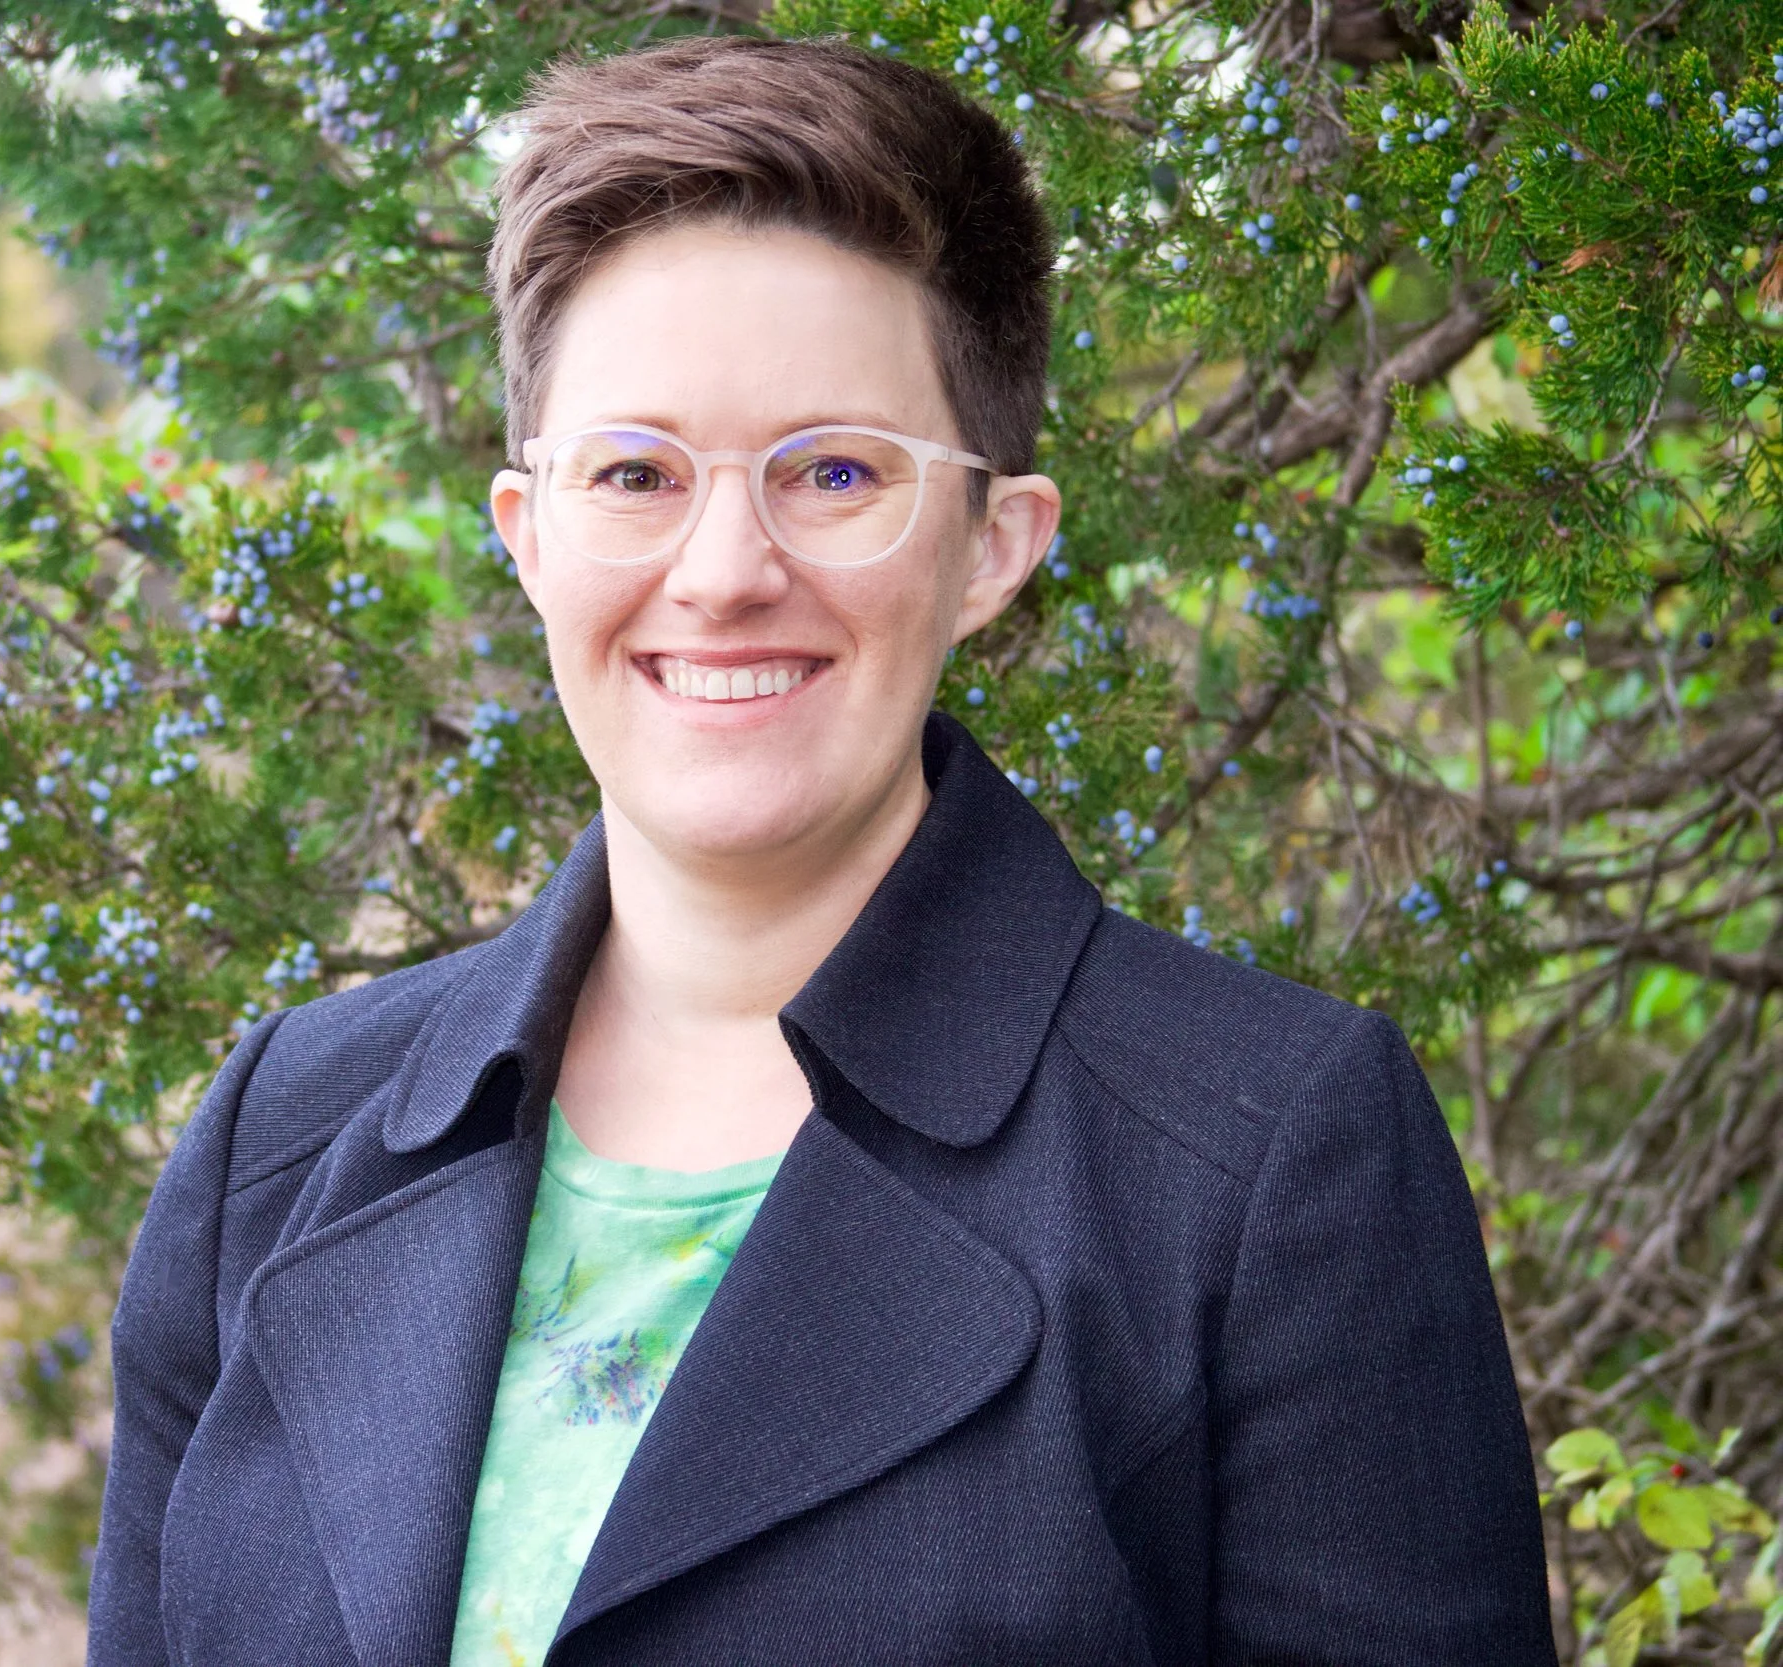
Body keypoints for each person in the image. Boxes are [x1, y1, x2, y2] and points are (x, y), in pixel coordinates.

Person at [86, 34, 1554, 1666]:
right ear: (529, 535)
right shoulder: (278, 1145)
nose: (724, 571)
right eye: (635, 473)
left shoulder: (1269, 1165)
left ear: (996, 545)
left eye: (835, 471)